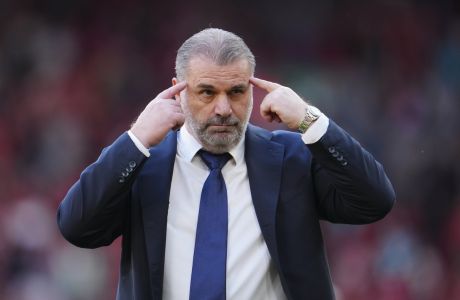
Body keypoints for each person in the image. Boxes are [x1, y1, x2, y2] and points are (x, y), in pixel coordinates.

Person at [57, 28, 395, 300]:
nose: (223, 108)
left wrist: (310, 120)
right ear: (178, 91)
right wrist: (136, 138)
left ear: (252, 91)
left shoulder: (292, 158)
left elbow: (375, 201)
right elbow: (77, 226)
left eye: (236, 92)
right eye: (206, 92)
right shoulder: (143, 163)